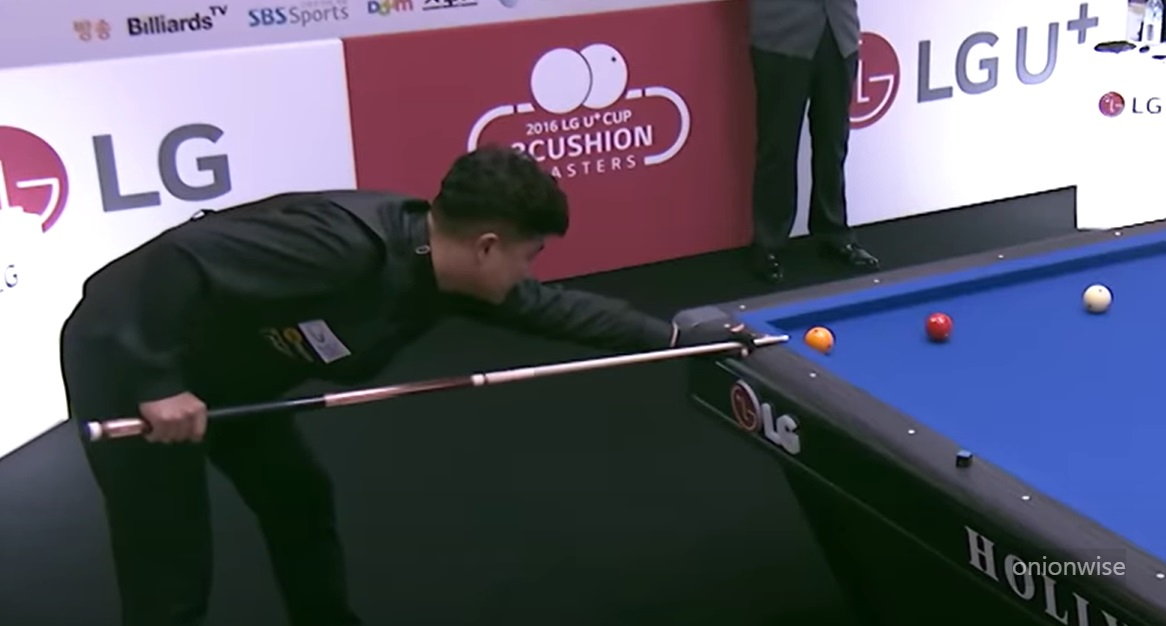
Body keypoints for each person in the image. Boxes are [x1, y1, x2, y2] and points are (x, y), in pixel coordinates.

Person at [59, 146, 758, 626]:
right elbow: (169, 264)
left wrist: (677, 340)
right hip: (128, 357)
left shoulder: (447, 270)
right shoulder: (339, 247)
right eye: (529, 256)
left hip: (236, 372)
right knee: (171, 556)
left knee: (298, 499)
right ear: (487, 245)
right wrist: (155, 382)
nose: (528, 273)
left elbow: (557, 310)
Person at [748, 0, 879, 283]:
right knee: (778, 145)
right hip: (780, 34)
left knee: (833, 140)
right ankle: (768, 242)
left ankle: (833, 233)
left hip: (839, 31)